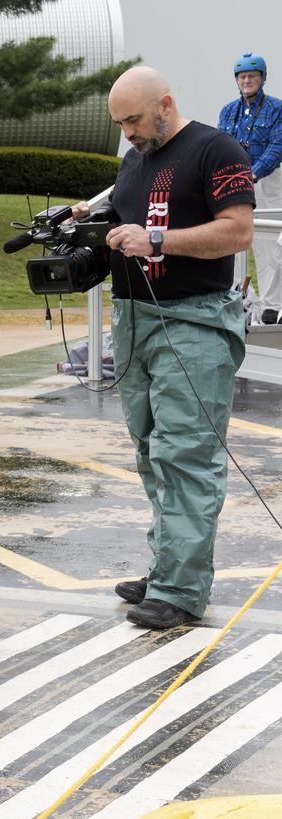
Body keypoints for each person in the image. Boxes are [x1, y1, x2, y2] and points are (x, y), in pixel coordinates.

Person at [75, 66, 254, 630]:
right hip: (135, 320)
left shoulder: (215, 149)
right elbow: (129, 220)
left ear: (166, 104)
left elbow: (237, 231)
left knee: (187, 456)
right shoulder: (136, 160)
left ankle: (181, 590)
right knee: (153, 452)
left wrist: (155, 239)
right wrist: (94, 224)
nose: (127, 132)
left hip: (193, 323)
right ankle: (168, 567)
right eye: (120, 123)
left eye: (133, 119)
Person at [217, 52, 282, 323]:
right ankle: (242, 299)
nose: (247, 81)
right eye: (242, 76)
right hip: (235, 181)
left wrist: (253, 174)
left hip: (267, 181)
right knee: (229, 239)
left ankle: (272, 306)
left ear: (262, 78)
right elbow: (220, 145)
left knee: (268, 246)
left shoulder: (276, 108)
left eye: (252, 76)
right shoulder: (228, 111)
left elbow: (277, 147)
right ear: (237, 80)